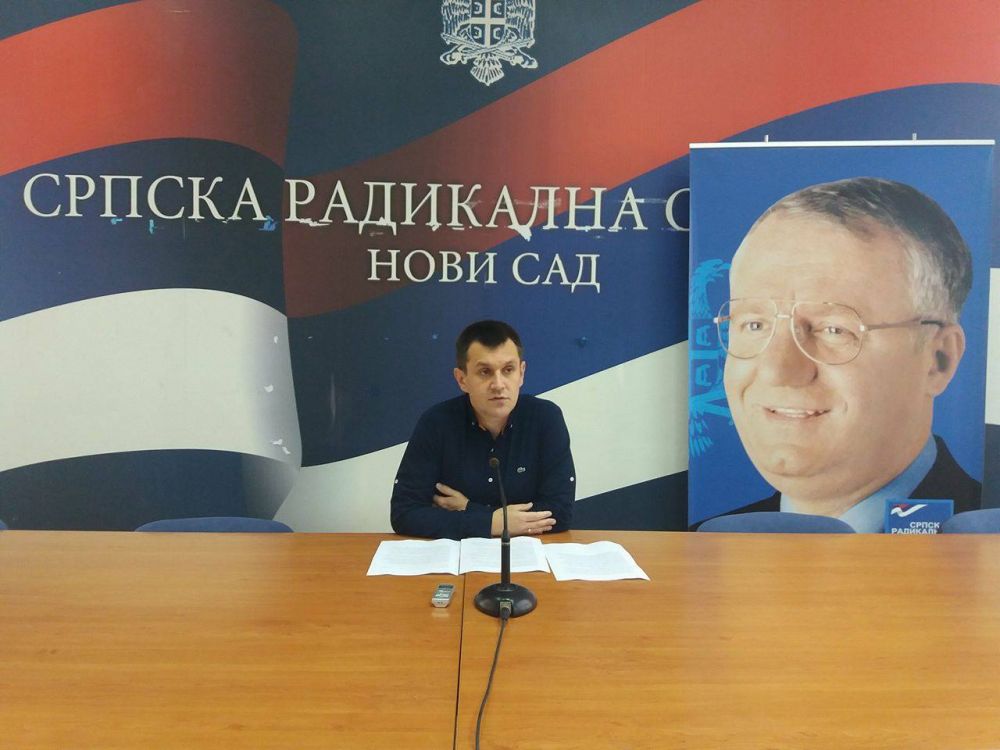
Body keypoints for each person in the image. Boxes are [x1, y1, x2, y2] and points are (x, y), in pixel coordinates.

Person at [714, 177, 981, 532]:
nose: (777, 370)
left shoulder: (981, 545)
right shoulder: (706, 543)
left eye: (833, 329)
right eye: (754, 324)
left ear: (938, 361)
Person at [390, 320, 575, 539]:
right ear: (462, 379)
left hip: (526, 553)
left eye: (508, 370)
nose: (498, 384)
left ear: (521, 373)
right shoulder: (436, 423)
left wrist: (471, 510)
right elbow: (405, 513)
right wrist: (491, 523)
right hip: (457, 556)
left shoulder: (546, 418)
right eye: (485, 372)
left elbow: (560, 512)